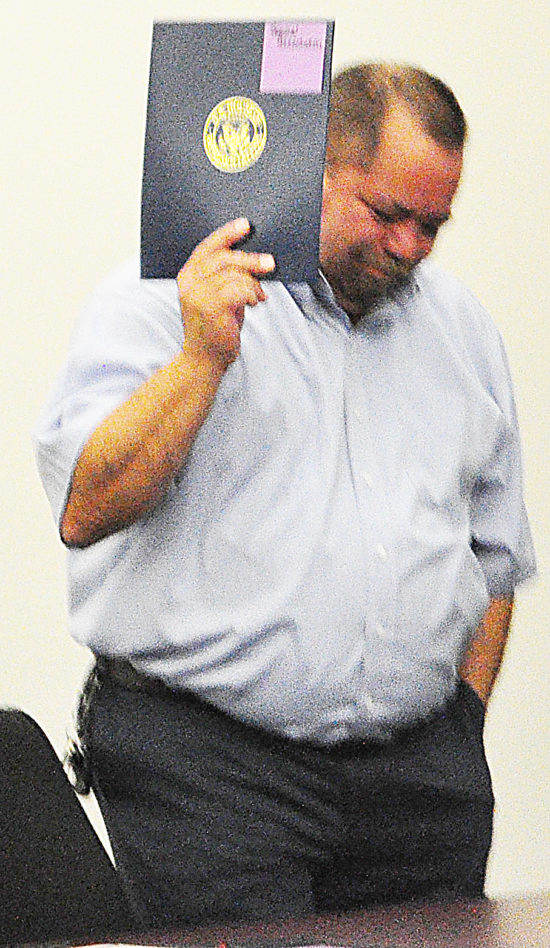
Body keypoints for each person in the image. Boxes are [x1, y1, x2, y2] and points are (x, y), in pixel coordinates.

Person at [34, 63, 536, 929]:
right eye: (387, 215)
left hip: (418, 788)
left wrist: (459, 727)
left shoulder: (460, 329)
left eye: (433, 225)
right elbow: (87, 508)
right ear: (311, 166)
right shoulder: (160, 299)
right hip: (214, 778)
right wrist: (201, 362)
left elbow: (493, 559)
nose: (411, 246)